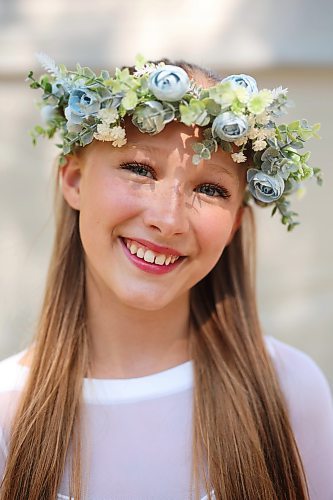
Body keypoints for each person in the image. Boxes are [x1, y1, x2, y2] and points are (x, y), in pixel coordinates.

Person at [0, 55, 332, 500]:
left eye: (210, 189)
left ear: (234, 222)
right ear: (75, 179)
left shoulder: (288, 388)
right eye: (139, 169)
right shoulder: (7, 409)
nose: (168, 219)